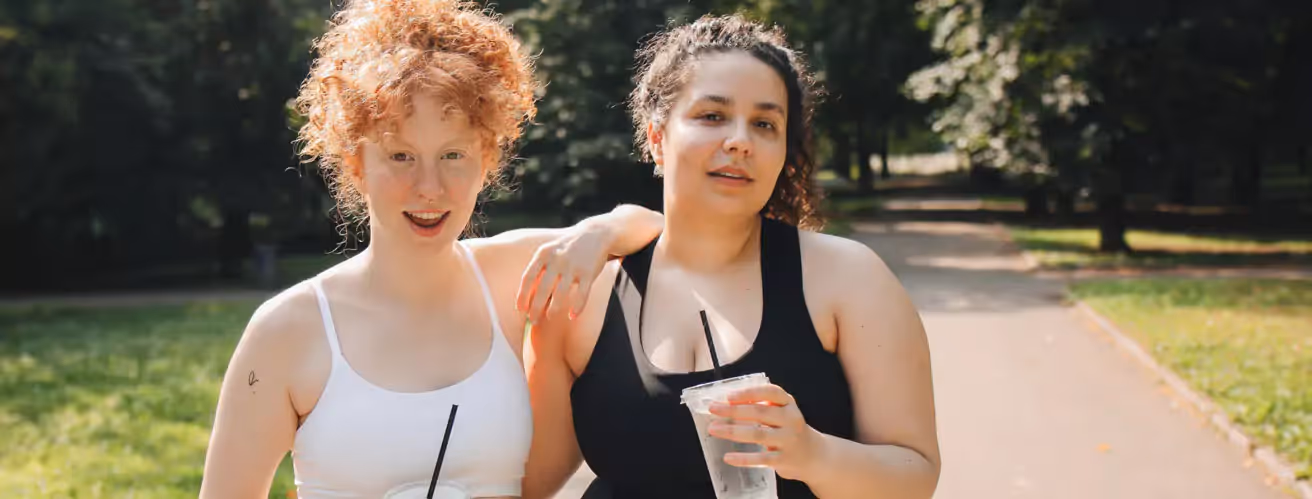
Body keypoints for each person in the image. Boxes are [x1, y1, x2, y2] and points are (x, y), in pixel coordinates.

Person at [199, 1, 663, 497]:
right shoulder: (286, 330)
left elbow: (656, 230)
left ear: (486, 161)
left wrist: (598, 233)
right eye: (401, 156)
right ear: (356, 164)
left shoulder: (512, 273)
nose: (429, 188)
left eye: (452, 155)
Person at [522, 14, 940, 499]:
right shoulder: (579, 299)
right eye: (712, 116)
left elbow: (915, 476)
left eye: (764, 124)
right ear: (657, 138)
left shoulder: (848, 278)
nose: (740, 141)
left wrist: (812, 455)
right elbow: (524, 483)